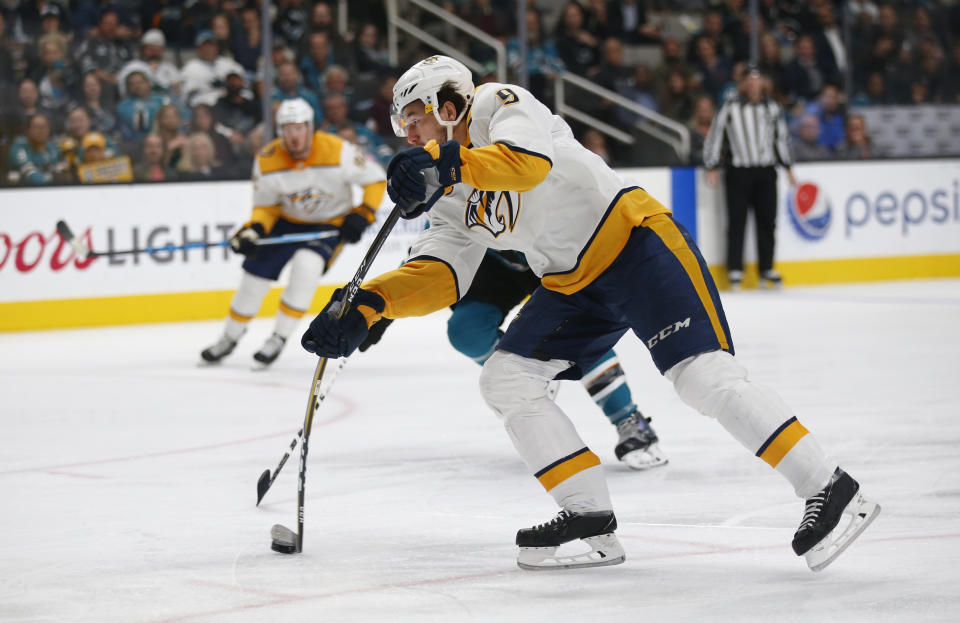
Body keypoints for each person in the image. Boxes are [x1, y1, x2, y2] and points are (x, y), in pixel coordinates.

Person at [300, 55, 880, 571]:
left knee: (701, 376)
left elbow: (526, 165)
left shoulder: (500, 104)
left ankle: (829, 486)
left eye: (416, 120)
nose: (408, 135)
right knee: (506, 378)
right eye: (403, 128)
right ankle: (587, 517)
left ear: (449, 104)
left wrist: (444, 159)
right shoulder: (446, 188)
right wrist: (371, 306)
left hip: (635, 242)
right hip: (573, 281)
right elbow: (443, 273)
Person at [362, 248, 668, 471]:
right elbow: (429, 255)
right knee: (466, 331)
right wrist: (379, 311)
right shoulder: (454, 186)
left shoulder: (533, 168)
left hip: (553, 257)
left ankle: (628, 419)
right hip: (492, 264)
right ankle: (526, 374)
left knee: (580, 333)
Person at [200, 97, 386, 366]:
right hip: (286, 222)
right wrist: (254, 230)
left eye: (299, 128)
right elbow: (265, 206)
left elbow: (376, 179)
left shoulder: (337, 150)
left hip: (329, 224)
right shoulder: (267, 159)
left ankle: (279, 337)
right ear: (280, 131)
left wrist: (363, 213)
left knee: (306, 268)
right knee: (253, 279)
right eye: (288, 129)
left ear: (310, 128)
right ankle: (229, 337)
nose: (295, 136)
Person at [703, 68, 797, 290]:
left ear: (764, 83)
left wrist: (788, 167)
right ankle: (735, 269)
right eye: (750, 81)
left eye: (758, 81)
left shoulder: (773, 108)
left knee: (768, 221)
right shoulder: (730, 108)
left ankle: (766, 269)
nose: (754, 85)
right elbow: (716, 136)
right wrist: (712, 165)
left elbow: (781, 139)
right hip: (739, 170)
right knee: (737, 220)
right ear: (743, 84)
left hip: (765, 170)